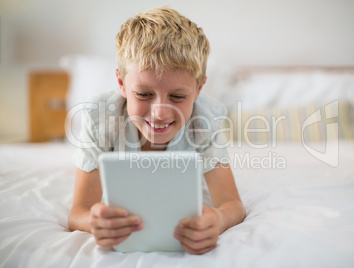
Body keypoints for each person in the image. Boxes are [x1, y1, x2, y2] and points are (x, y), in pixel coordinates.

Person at [68, 6, 245, 255]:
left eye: (177, 96)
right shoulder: (100, 118)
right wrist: (94, 222)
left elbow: (232, 204)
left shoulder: (206, 120)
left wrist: (217, 218)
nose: (160, 112)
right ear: (121, 83)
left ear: (198, 90)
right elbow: (79, 211)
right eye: (143, 94)